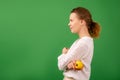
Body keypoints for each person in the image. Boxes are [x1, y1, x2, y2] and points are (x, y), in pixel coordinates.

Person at [57, 7, 101, 80]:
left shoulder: (83, 44)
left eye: (71, 20)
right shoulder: (84, 41)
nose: (69, 24)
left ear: (81, 22)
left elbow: (60, 65)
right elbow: (67, 65)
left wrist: (64, 53)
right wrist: (68, 65)